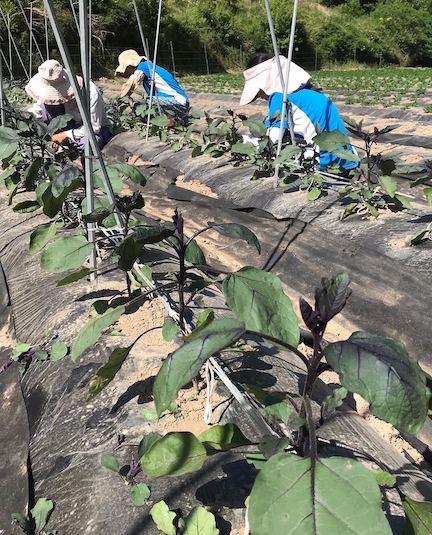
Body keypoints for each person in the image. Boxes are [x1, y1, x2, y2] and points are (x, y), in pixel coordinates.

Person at [240, 52, 358, 172]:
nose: (260, 96)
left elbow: (273, 142)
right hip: (347, 158)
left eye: (258, 91)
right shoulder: (308, 91)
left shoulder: (280, 97)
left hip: (324, 163)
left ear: (264, 83)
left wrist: (243, 143)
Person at [25, 59, 113, 151]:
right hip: (64, 126)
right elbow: (38, 110)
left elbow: (94, 127)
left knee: (89, 145)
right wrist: (23, 118)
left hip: (90, 130)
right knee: (45, 108)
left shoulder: (90, 92)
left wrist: (65, 135)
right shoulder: (48, 95)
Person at [115, 49, 189, 127]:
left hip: (177, 101)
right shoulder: (148, 68)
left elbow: (131, 84)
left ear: (130, 65)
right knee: (147, 105)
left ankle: (169, 123)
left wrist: (121, 99)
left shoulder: (143, 66)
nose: (127, 72)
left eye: (126, 69)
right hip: (176, 103)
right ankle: (166, 123)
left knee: (141, 105)